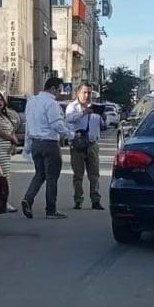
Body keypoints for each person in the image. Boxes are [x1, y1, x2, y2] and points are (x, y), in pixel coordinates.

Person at [20, 77, 72, 219]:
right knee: (52, 177)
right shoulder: (51, 103)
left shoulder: (31, 101)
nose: (59, 93)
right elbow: (56, 124)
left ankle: (28, 198)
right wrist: (70, 135)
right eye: (59, 90)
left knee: (39, 174)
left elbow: (28, 126)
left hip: (36, 142)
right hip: (49, 143)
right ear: (53, 88)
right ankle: (51, 209)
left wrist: (27, 147)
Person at [64, 82, 103, 210]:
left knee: (94, 174)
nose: (87, 95)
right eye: (84, 92)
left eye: (89, 93)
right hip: (78, 145)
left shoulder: (94, 107)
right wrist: (83, 112)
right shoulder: (72, 106)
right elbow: (69, 118)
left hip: (92, 144)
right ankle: (78, 200)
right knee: (78, 174)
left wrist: (101, 116)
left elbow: (100, 124)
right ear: (78, 93)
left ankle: (95, 200)